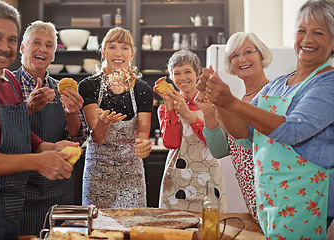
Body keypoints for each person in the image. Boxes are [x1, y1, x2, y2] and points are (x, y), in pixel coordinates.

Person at [197, 0, 334, 238]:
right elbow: (244, 134)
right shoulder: (279, 84)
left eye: (318, 32)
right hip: (271, 198)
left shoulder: (327, 82)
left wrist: (229, 102)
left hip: (308, 199)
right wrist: (218, 102)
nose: (307, 39)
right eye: (301, 30)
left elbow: (292, 130)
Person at [0, 1, 77, 240]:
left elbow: (18, 132)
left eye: (10, 39)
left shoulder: (8, 80)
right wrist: (38, 161)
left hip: (9, 206)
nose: (4, 46)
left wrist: (50, 147)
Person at [13, 20, 88, 236]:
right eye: (36, 42)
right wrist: (27, 107)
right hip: (21, 190)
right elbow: (2, 132)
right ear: (22, 48)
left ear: (54, 54)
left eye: (49, 45)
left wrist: (71, 113)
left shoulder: (61, 89)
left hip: (58, 189)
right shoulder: (7, 86)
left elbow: (77, 137)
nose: (43, 49)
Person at [195, 32, 272, 220]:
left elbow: (251, 141)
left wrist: (222, 107)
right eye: (235, 56)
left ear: (261, 55)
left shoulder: (271, 95)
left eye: (248, 52)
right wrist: (207, 111)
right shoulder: (238, 101)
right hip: (250, 194)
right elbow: (219, 150)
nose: (242, 59)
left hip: (270, 190)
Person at [78, 27, 153, 208]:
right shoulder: (89, 87)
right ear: (103, 52)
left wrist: (144, 146)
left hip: (131, 175)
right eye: (112, 47)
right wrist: (103, 124)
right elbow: (97, 137)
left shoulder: (142, 90)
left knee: (133, 228)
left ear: (132, 54)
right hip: (97, 174)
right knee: (98, 229)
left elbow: (142, 134)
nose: (118, 53)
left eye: (124, 48)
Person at [153, 49, 226, 213]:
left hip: (208, 177)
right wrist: (171, 105)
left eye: (187, 71)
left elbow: (214, 142)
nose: (183, 77)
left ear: (197, 73)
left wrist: (188, 114)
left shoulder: (210, 103)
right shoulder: (165, 108)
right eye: (177, 73)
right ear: (171, 77)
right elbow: (171, 143)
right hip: (177, 178)